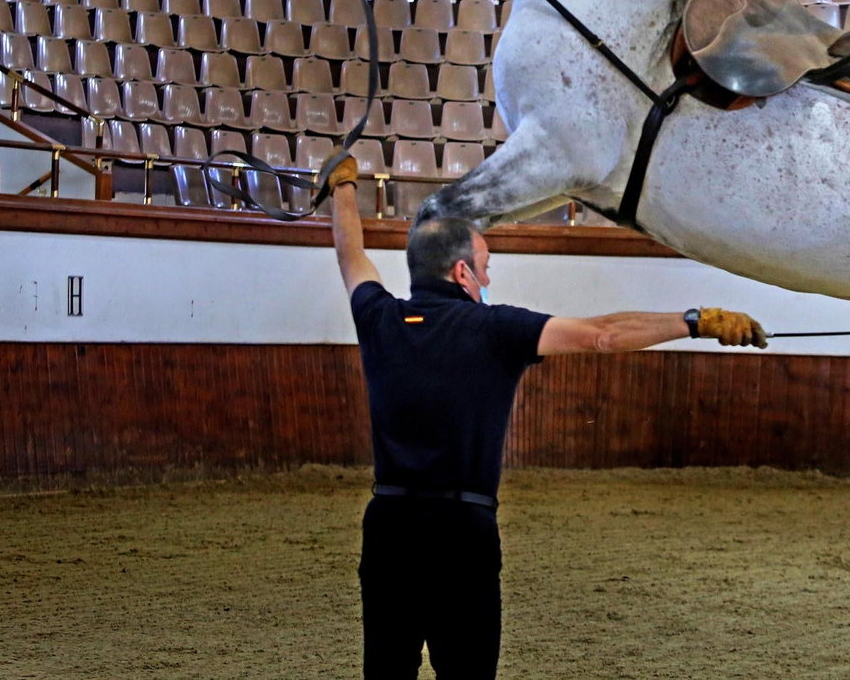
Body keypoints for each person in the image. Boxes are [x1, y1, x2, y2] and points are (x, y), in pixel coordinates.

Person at [325, 157, 769, 678]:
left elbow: (350, 255)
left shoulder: (379, 317)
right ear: (462, 272)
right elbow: (603, 335)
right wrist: (696, 321)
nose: (487, 276)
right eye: (485, 265)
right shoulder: (495, 329)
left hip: (388, 528)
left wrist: (343, 186)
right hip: (461, 532)